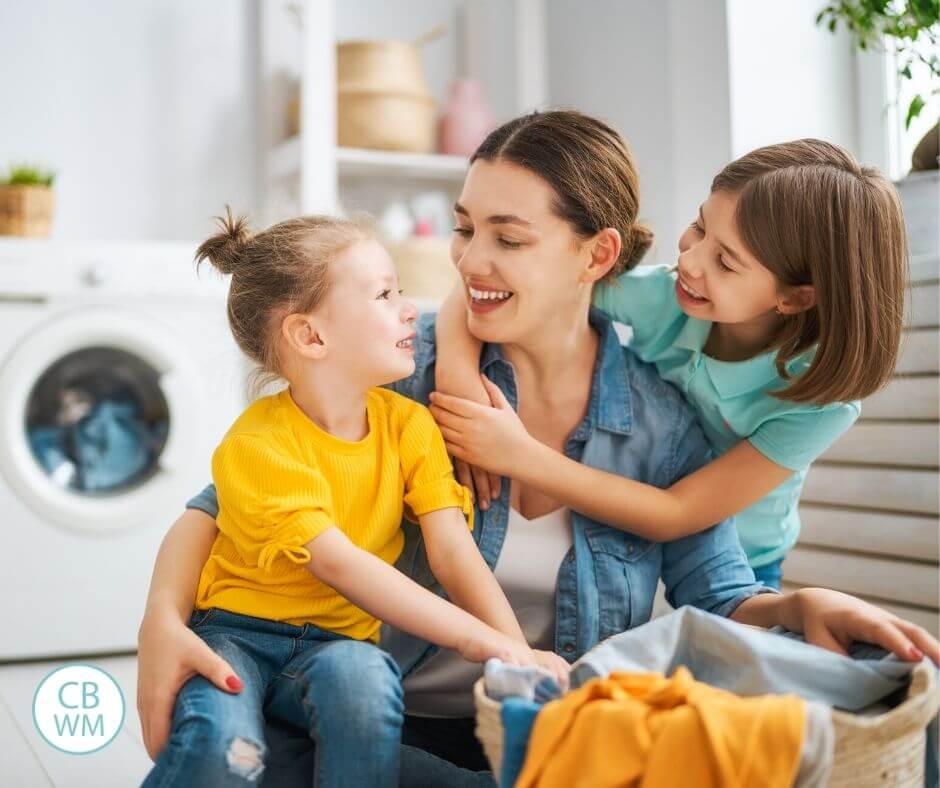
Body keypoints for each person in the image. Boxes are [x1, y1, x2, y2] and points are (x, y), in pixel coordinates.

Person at [138, 112, 938, 787]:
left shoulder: (663, 427)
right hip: (372, 724)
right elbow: (224, 505)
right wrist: (162, 626)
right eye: (463, 228)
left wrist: (800, 604)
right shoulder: (392, 372)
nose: (468, 261)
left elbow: (719, 596)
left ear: (597, 256)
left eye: (508, 239)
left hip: (534, 743)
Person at [141, 210, 565, 788]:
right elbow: (340, 563)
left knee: (364, 685)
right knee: (225, 749)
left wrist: (512, 655)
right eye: (385, 294)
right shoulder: (255, 445)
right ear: (310, 336)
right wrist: (477, 639)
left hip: (338, 646)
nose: (409, 307)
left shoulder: (409, 427)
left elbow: (452, 551)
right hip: (235, 634)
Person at [431, 137, 907, 590]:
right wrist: (457, 378)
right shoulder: (664, 295)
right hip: (630, 526)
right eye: (700, 226)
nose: (691, 261)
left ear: (795, 297)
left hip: (740, 556)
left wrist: (520, 455)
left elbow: (676, 513)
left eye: (726, 262)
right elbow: (490, 282)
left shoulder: (821, 403)